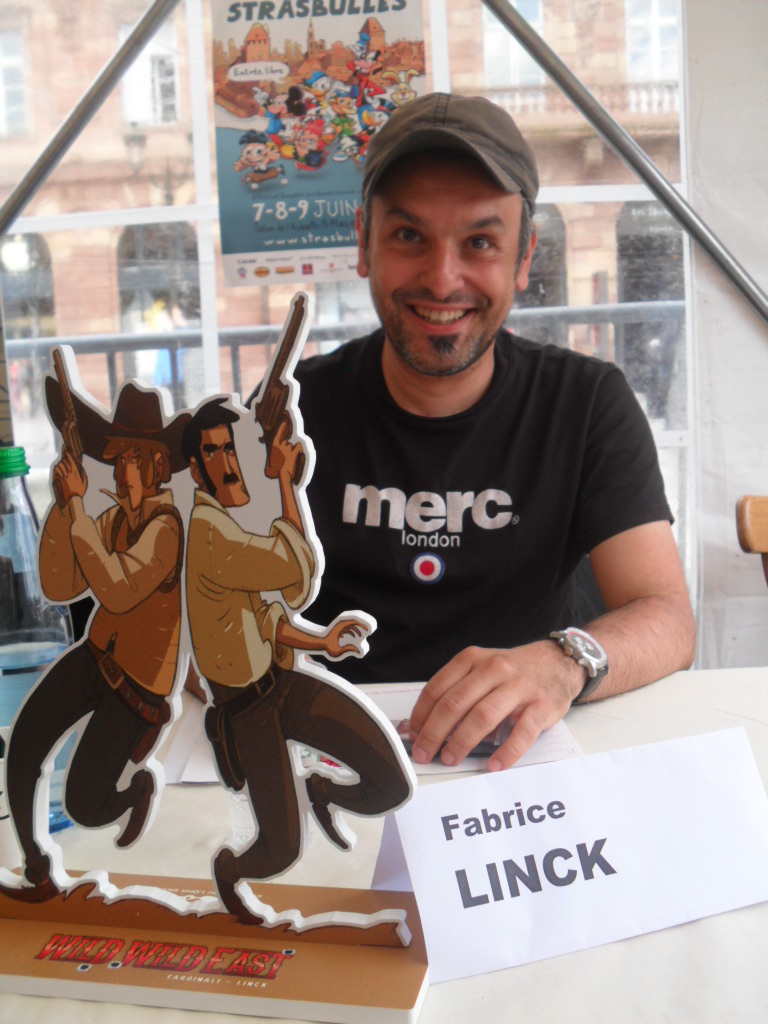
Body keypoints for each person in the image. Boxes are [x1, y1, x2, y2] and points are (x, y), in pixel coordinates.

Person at [288, 92, 696, 774]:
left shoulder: (586, 403)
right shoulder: (286, 411)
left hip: (517, 762)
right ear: (364, 243)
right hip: (329, 754)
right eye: (409, 236)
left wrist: (564, 663)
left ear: (523, 255)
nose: (442, 279)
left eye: (479, 242)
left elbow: (667, 617)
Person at [181, 398, 411, 923]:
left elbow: (266, 618)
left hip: (283, 682)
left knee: (392, 783)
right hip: (248, 712)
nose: (228, 463)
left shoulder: (229, 528)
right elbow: (295, 576)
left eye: (231, 449)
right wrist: (284, 480)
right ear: (196, 469)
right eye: (213, 452)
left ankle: (320, 790)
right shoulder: (213, 534)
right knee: (279, 850)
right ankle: (228, 872)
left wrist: (323, 643)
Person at [5, 380, 188, 900]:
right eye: (118, 456)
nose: (120, 467)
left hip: (136, 687)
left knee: (84, 805)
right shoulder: (111, 520)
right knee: (25, 745)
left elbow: (118, 591)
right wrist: (66, 509)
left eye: (131, 457)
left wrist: (79, 512)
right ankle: (37, 867)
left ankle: (134, 791)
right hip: (94, 657)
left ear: (157, 466)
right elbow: (60, 584)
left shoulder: (166, 529)